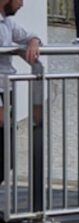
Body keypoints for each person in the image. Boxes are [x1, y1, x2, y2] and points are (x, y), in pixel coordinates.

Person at [0, 0, 41, 186]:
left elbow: (30, 36)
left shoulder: (7, 22)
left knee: (5, 156)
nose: (22, 4)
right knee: (2, 155)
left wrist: (33, 42)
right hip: (1, 93)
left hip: (6, 90)